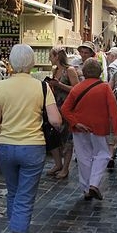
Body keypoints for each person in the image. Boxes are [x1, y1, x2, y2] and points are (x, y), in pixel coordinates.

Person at [0, 44, 62, 233]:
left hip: (6, 147)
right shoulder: (42, 87)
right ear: (31, 63)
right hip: (32, 147)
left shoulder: (1, 86)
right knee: (25, 197)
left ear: (11, 62)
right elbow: (55, 121)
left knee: (13, 193)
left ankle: (16, 232)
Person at [61, 58, 117, 201]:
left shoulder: (77, 88)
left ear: (84, 72)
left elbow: (65, 109)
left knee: (83, 158)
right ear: (99, 72)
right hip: (100, 127)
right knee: (103, 154)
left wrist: (75, 123)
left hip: (80, 128)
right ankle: (94, 184)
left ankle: (86, 188)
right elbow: (114, 111)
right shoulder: (105, 88)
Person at [46, 46, 80, 178]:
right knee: (54, 136)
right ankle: (57, 164)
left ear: (57, 56)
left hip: (67, 107)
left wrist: (59, 85)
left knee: (67, 138)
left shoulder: (69, 70)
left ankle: (65, 168)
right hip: (56, 107)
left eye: (51, 56)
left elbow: (76, 89)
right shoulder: (55, 70)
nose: (49, 58)